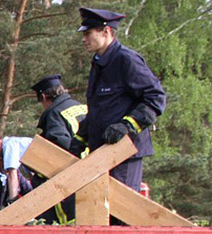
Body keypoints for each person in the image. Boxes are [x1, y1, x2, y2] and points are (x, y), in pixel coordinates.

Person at [71, 7, 167, 190]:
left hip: (124, 152)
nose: (83, 39)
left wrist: (127, 125)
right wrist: (80, 139)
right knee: (100, 212)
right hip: (101, 151)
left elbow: (156, 98)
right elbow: (101, 110)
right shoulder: (99, 63)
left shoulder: (126, 60)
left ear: (106, 32)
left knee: (119, 212)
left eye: (88, 33)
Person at [32, 74, 88, 153]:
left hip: (79, 162)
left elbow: (61, 144)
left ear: (43, 97)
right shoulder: (81, 106)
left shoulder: (54, 114)